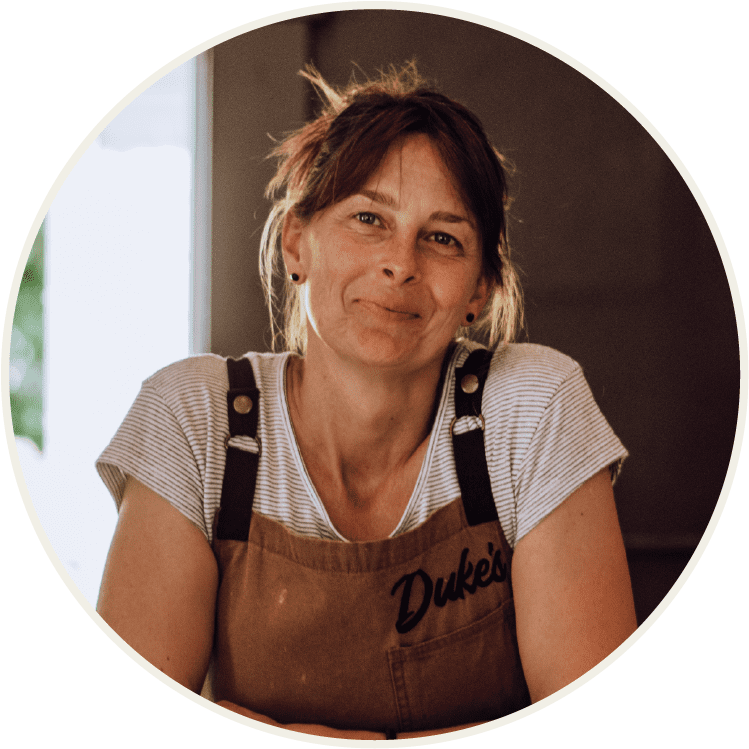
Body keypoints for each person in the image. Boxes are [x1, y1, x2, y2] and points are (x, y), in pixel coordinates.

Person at [96, 64, 637, 740]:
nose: (399, 262)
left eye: (441, 238)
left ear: (480, 289)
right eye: (367, 218)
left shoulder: (534, 407)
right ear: (297, 243)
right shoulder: (193, 419)